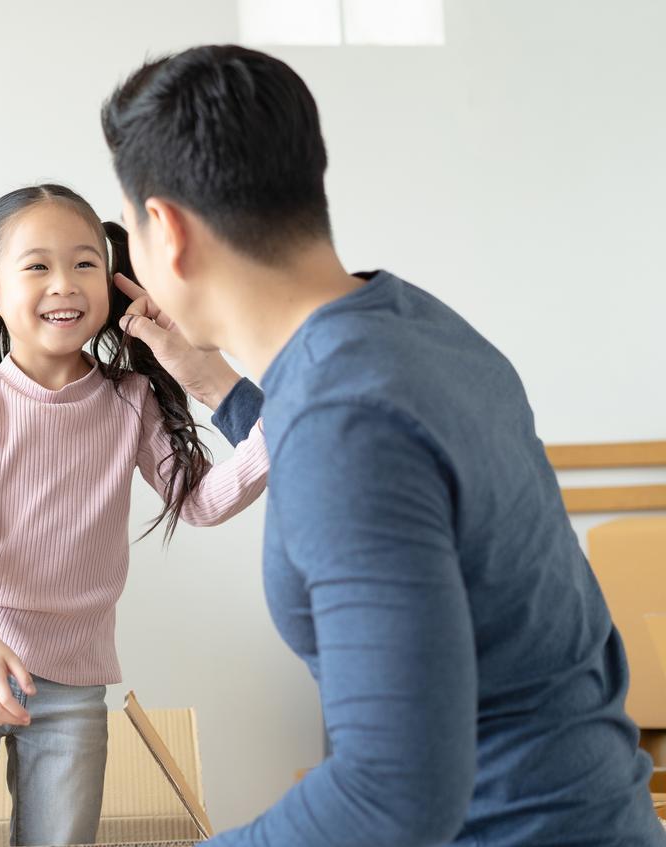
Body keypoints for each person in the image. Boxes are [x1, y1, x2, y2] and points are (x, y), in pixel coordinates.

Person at [102, 44, 664, 846]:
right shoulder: (413, 328)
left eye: (126, 228)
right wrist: (216, 386)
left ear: (166, 229)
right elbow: (361, 453)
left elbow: (391, 796)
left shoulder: (344, 421)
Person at [0, 184, 269, 847]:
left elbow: (200, 501)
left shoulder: (131, 398)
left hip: (74, 678)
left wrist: (281, 424)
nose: (64, 283)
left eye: (85, 263)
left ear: (112, 280)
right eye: (37, 265)